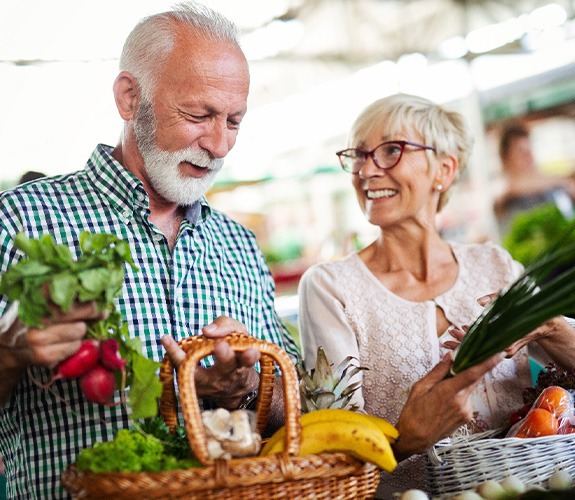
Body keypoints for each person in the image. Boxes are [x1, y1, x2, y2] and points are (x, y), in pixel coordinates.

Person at [0, 3, 300, 498]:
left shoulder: (240, 246)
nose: (219, 145)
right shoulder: (18, 222)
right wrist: (7, 354)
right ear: (129, 97)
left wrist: (247, 387)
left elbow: (294, 412)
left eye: (234, 121)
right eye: (199, 115)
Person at [297, 93, 575, 497]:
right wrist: (408, 437)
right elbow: (335, 457)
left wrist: (548, 327)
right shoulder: (330, 287)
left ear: (444, 169)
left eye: (391, 150)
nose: (366, 170)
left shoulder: (494, 265)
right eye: (358, 155)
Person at [493, 121, 575, 236]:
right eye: (521, 152)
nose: (529, 157)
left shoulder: (546, 187)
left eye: (530, 150)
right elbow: (513, 187)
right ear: (505, 159)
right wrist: (564, 182)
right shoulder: (503, 193)